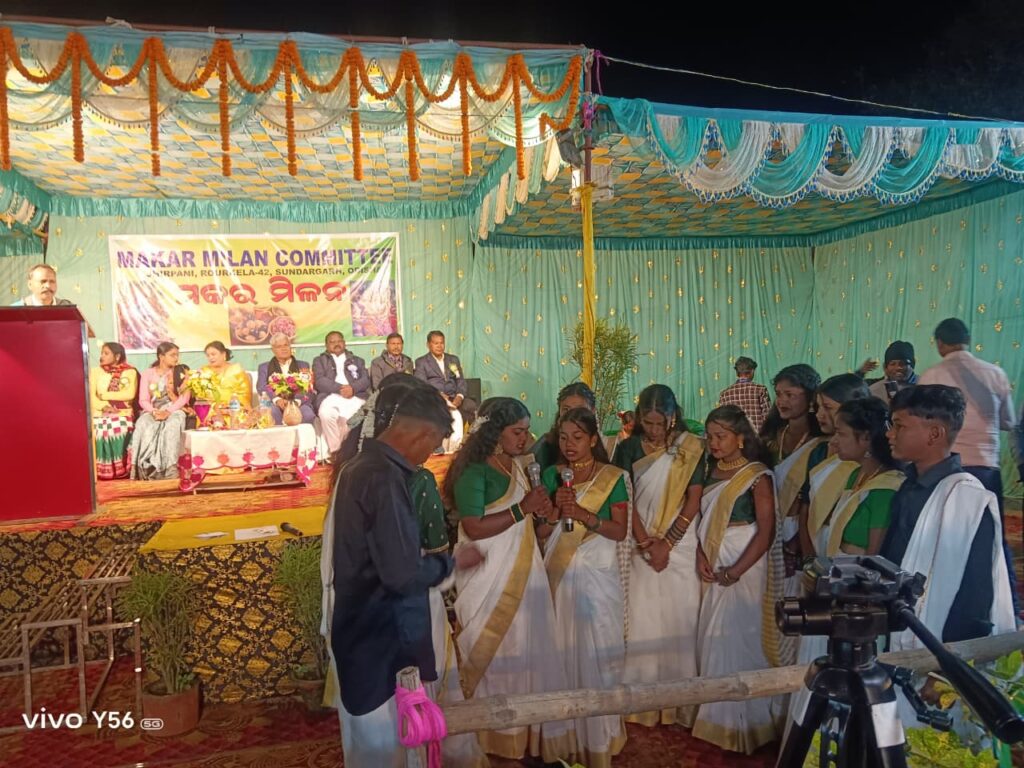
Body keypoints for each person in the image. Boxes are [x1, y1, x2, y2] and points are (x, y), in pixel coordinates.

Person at [322, 376, 488, 768]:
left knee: (371, 742)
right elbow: (401, 574)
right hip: (382, 636)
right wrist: (451, 563)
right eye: (434, 444)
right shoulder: (383, 477)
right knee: (390, 744)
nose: (430, 455)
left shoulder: (358, 467)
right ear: (423, 433)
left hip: (359, 627)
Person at [443, 398, 573, 762]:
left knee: (529, 645)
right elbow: (473, 527)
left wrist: (547, 512)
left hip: (525, 571)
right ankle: (496, 734)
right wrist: (522, 509)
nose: (525, 438)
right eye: (517, 431)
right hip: (487, 574)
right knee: (500, 653)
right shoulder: (474, 471)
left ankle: (527, 731)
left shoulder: (517, 465)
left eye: (526, 431)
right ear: (494, 432)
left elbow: (533, 524)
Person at [880, 385, 1015, 721]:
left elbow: (976, 595)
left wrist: (948, 672)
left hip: (941, 653)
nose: (890, 433)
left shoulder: (968, 500)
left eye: (899, 425)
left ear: (935, 433)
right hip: (896, 634)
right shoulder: (908, 485)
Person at [693, 405, 788, 754]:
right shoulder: (709, 470)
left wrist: (736, 571)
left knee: (740, 636)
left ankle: (747, 723)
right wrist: (701, 555)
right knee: (712, 635)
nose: (714, 443)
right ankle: (716, 718)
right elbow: (702, 521)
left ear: (741, 438)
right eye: (710, 437)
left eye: (721, 436)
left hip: (745, 561)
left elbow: (766, 532)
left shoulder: (757, 475)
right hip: (713, 555)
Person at [541, 408, 631, 767]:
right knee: (562, 647)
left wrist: (583, 515)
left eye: (577, 437)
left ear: (593, 439)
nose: (570, 444)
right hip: (561, 573)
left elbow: (619, 531)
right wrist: (554, 512)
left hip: (598, 570)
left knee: (598, 649)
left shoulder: (613, 477)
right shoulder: (551, 475)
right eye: (563, 437)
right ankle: (566, 735)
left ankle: (599, 735)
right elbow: (541, 530)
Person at [614, 384, 706, 727]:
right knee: (643, 616)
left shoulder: (691, 448)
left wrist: (667, 543)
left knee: (680, 617)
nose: (653, 430)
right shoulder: (627, 448)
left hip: (679, 543)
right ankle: (641, 702)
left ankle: (679, 701)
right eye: (647, 423)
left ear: (671, 417)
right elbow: (624, 498)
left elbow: (693, 500)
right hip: (640, 541)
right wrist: (645, 542)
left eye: (659, 423)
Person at [917, 318, 1018, 608]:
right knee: (993, 539)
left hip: (947, 469)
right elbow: (1009, 422)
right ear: (968, 340)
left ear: (939, 344)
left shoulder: (932, 375)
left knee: (946, 538)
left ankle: (944, 604)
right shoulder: (995, 374)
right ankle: (1008, 605)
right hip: (987, 468)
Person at [760, 364, 824, 596]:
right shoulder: (771, 437)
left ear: (810, 398)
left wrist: (796, 542)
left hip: (799, 535)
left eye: (790, 395)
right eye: (778, 394)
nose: (781, 401)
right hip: (767, 528)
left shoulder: (822, 443)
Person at [798, 374, 870, 565]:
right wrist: (808, 556)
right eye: (818, 407)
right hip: (814, 547)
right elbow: (806, 505)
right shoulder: (819, 452)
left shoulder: (865, 458)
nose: (819, 414)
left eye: (828, 407)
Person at [131, 342, 190, 480]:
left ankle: (170, 468)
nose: (176, 358)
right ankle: (145, 467)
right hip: (153, 410)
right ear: (161, 356)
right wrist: (154, 411)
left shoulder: (181, 372)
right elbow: (143, 400)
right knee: (143, 424)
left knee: (172, 425)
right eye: (172, 355)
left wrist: (168, 411)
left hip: (175, 408)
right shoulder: (148, 373)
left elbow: (184, 398)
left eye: (177, 355)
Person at [414, 331, 477, 452]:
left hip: (454, 397)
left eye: (442, 343)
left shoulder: (453, 360)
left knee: (470, 405)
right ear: (428, 345)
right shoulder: (421, 362)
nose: (439, 346)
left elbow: (461, 380)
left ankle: (468, 446)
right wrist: (438, 394)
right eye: (436, 343)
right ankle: (440, 447)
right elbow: (421, 383)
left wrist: (460, 396)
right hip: (435, 398)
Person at [312, 331, 370, 453]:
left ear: (344, 343)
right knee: (326, 415)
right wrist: (340, 388)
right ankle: (336, 451)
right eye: (332, 342)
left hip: (354, 396)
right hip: (330, 395)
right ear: (326, 345)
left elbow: (365, 380)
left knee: (352, 420)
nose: (336, 344)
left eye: (339, 341)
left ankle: (347, 452)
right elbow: (320, 381)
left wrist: (352, 388)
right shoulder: (319, 360)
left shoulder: (357, 360)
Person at [89, 342, 139, 480]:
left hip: (122, 412)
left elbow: (129, 394)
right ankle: (102, 471)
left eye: (106, 353)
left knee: (118, 427)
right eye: (102, 353)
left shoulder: (130, 371)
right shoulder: (95, 372)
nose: (102, 356)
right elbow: (91, 396)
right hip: (100, 410)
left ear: (117, 356)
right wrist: (104, 406)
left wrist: (104, 395)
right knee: (98, 428)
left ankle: (120, 470)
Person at [530, 382, 597, 472]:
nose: (572, 416)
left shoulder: (609, 446)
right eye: (566, 410)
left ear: (593, 411)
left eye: (579, 410)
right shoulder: (546, 446)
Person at [256, 333, 314, 425]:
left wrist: (295, 402)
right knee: (272, 413)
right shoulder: (264, 367)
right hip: (275, 403)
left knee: (308, 415)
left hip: (298, 402)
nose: (284, 348)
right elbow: (262, 387)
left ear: (290, 347)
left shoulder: (303, 365)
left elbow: (308, 387)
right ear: (273, 350)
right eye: (279, 346)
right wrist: (277, 400)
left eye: (286, 345)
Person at [718, 356, 772, 433]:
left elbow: (723, 420)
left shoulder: (724, 394)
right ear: (752, 371)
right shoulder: (761, 390)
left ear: (737, 372)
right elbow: (768, 417)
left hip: (735, 437)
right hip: (756, 437)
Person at [857, 340, 918, 405]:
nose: (898, 367)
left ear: (913, 365)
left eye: (903, 363)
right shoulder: (873, 390)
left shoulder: (923, 386)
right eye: (893, 364)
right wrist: (860, 373)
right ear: (885, 367)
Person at [200, 341, 251, 408]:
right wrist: (215, 406)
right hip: (210, 409)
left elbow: (244, 394)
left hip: (234, 408)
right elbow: (200, 395)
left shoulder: (236, 370)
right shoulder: (204, 371)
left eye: (213, 354)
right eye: (208, 355)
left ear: (223, 354)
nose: (211, 358)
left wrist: (228, 406)